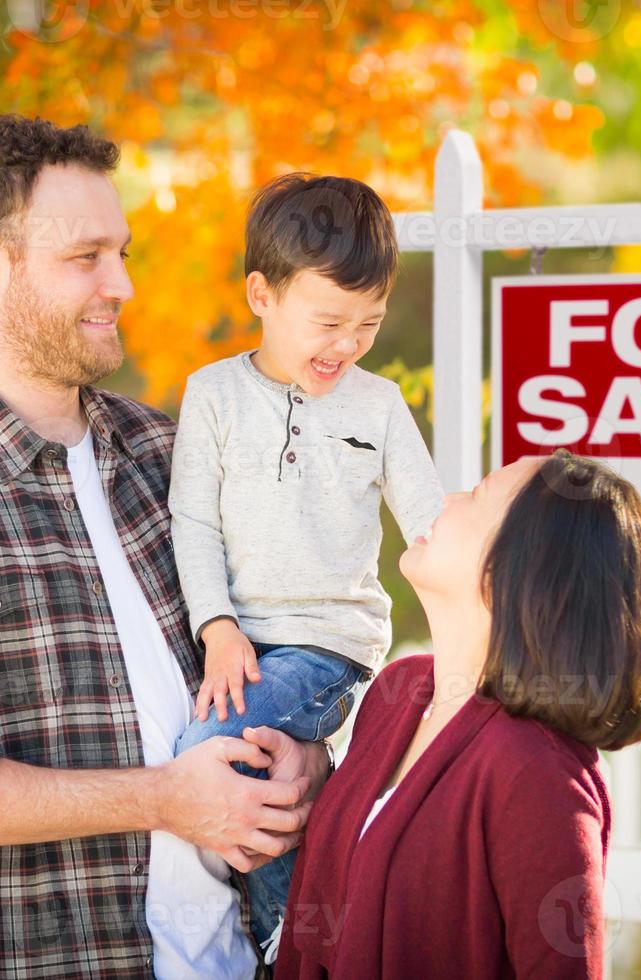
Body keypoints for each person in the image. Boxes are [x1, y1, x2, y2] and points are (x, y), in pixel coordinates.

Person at [0, 114, 329, 979]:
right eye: (85, 257)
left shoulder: (173, 455)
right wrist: (165, 801)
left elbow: (288, 642)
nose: (122, 284)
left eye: (122, 252)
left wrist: (307, 758)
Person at [273, 449, 641, 979]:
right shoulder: (398, 692)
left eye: (477, 496)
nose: (444, 500)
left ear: (517, 566)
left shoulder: (538, 774)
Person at [167, 172, 445, 955]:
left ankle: (292, 936)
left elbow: (431, 525)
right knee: (229, 759)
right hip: (241, 646)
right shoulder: (212, 396)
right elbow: (192, 522)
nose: (348, 345)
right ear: (262, 294)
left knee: (207, 750)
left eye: (369, 323)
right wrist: (217, 627)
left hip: (329, 650)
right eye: (329, 322)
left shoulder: (380, 405)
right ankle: (292, 931)